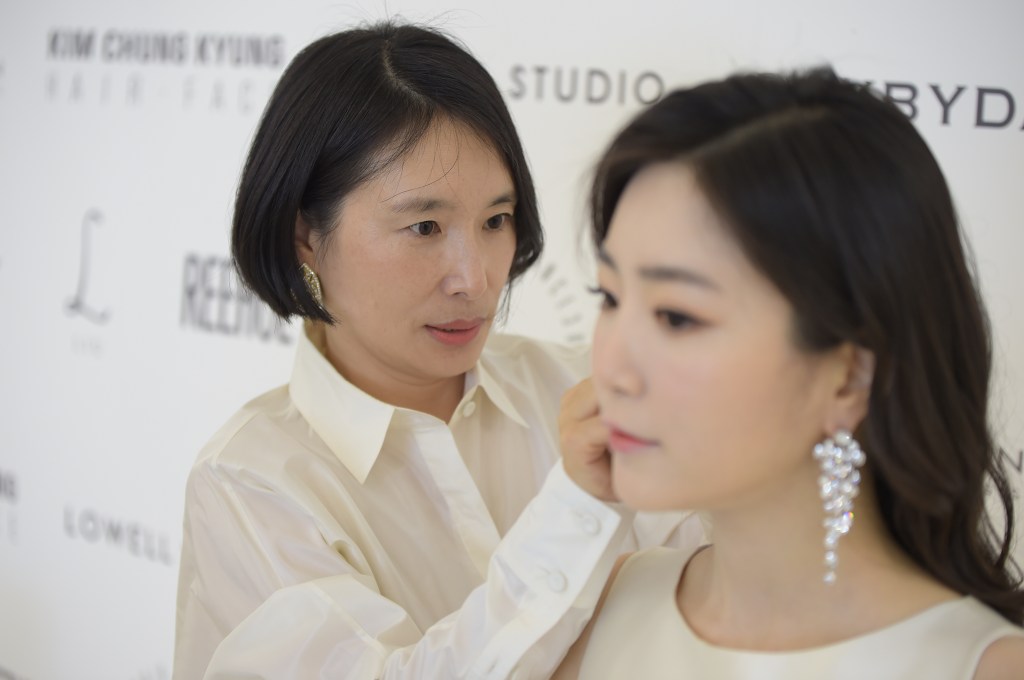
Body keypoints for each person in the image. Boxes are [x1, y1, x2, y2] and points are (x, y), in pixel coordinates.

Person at [172, 20, 701, 679]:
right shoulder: (252, 482)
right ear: (305, 236)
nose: (474, 279)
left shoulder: (579, 387)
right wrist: (579, 508)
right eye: (425, 227)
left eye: (496, 221)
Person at [553, 69, 1024, 678]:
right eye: (610, 297)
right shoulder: (603, 607)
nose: (612, 369)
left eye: (676, 317)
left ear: (850, 377)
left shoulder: (985, 667)